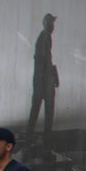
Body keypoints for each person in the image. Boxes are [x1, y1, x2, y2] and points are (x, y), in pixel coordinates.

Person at [27, 12, 59, 150]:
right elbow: (44, 62)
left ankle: (36, 141)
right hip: (43, 84)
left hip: (42, 83)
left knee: (37, 111)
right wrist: (52, 77)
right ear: (47, 24)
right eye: (51, 23)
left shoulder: (44, 37)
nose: (53, 26)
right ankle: (45, 143)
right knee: (46, 113)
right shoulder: (45, 37)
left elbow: (45, 61)